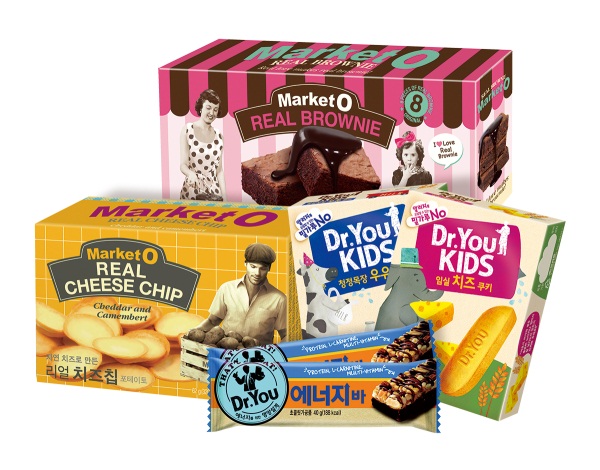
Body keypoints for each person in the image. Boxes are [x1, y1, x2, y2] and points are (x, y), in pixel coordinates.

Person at [197, 243, 287, 345]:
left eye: (263, 268)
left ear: (269, 268)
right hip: (226, 351)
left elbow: (285, 334)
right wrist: (191, 333)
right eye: (253, 266)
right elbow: (212, 321)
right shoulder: (227, 289)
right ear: (245, 264)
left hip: (259, 354)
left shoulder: (279, 299)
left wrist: (276, 351)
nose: (257, 273)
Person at [180, 89, 226, 201]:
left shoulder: (219, 136)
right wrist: (190, 174)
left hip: (214, 193)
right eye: (208, 108)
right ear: (201, 107)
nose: (212, 113)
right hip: (192, 190)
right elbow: (183, 164)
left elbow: (219, 170)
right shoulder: (188, 129)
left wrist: (225, 197)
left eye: (215, 109)